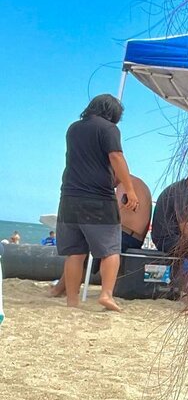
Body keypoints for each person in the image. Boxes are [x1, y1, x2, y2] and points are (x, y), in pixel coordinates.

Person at [55, 94, 138, 311]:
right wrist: (129, 189)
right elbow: (116, 157)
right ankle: (106, 294)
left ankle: (72, 301)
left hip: (69, 197)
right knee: (110, 249)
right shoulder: (109, 129)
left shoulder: (73, 129)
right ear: (113, 113)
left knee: (75, 253)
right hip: (97, 198)